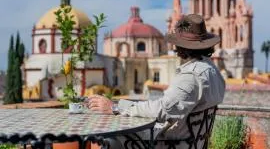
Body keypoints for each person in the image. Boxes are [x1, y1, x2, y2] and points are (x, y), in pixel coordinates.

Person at [87, 14, 226, 148]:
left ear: (182, 47)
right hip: (192, 142)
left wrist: (116, 107)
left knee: (113, 135)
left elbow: (163, 110)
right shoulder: (212, 70)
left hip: (171, 143)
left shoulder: (191, 75)